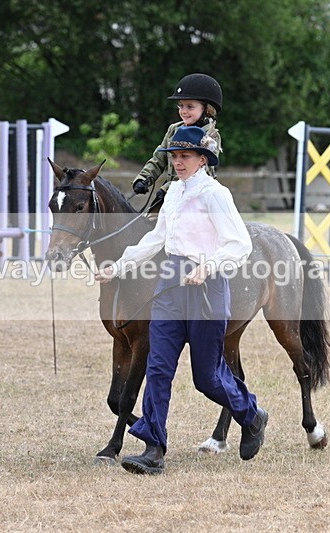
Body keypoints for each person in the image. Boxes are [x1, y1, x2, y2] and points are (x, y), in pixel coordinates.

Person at [96, 126, 268, 475]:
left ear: (202, 159)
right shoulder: (173, 192)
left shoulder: (215, 194)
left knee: (207, 378)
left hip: (207, 286)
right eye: (174, 156)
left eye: (184, 156)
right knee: (158, 369)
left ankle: (251, 414)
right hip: (170, 286)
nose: (177, 162)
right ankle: (154, 448)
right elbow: (156, 239)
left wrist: (208, 265)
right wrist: (119, 266)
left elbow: (239, 244)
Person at [131, 73, 223, 210]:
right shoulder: (173, 130)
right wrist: (144, 179)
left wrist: (167, 189)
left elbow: (199, 172)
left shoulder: (211, 136)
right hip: (171, 193)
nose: (183, 111)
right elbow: (158, 158)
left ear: (207, 109)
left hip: (197, 195)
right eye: (180, 106)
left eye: (190, 107)